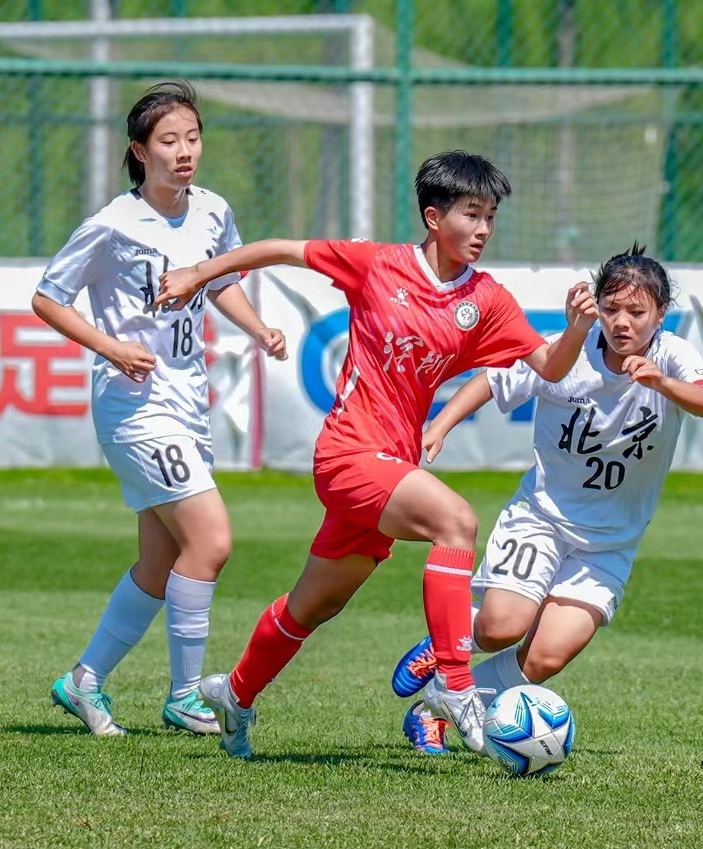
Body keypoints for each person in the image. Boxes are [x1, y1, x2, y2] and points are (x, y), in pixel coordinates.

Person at [157, 150, 597, 758]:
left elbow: (548, 366)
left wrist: (576, 329)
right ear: (434, 216)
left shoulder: (486, 299)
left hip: (392, 468)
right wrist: (197, 274)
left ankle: (234, 695)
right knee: (456, 521)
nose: (484, 229)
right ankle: (456, 686)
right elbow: (280, 249)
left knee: (314, 604)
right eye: (472, 214)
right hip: (347, 454)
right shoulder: (378, 265)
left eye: (491, 217)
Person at [388, 244, 703, 753]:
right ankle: (443, 643)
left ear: (660, 314)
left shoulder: (671, 355)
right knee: (501, 627)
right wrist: (440, 425)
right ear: (596, 307)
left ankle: (433, 707)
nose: (622, 322)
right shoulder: (568, 352)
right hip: (542, 519)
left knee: (545, 657)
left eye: (637, 312)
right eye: (611, 308)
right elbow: (492, 380)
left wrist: (662, 382)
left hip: (609, 544)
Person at [31, 81, 287, 737]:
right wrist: (111, 347)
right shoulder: (113, 224)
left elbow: (221, 282)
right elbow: (48, 299)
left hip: (186, 401)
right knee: (211, 541)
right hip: (134, 407)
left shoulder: (213, 212)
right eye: (168, 141)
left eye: (193, 137)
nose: (184, 151)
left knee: (159, 563)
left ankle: (82, 681)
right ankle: (186, 694)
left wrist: (258, 329)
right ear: (139, 151)